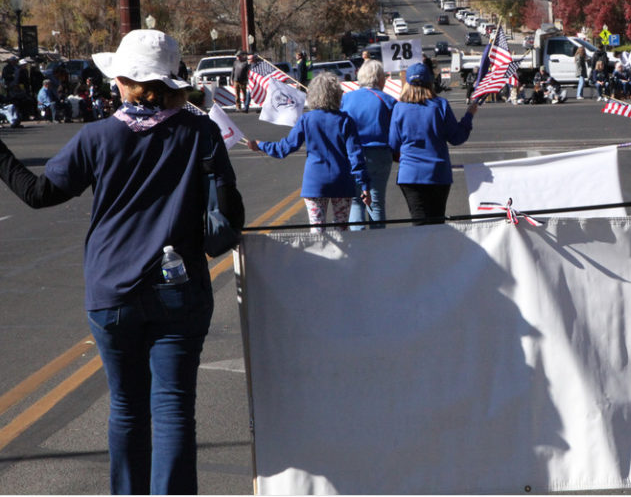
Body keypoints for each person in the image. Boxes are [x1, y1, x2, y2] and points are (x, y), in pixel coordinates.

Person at [0, 29, 244, 494]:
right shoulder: (202, 132)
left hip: (112, 292)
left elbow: (37, 194)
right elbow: (231, 213)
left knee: (127, 408)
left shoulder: (98, 137)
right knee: (173, 409)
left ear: (122, 79)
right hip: (181, 290)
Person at [246, 73, 370, 233]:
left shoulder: (307, 119)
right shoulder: (345, 120)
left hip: (315, 182)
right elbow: (356, 156)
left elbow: (285, 148)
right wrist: (365, 184)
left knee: (317, 234)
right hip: (342, 181)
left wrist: (261, 145)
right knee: (342, 232)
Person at [389, 62, 477, 225]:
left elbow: (393, 145)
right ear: (430, 82)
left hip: (410, 175)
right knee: (437, 224)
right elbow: (457, 137)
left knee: (419, 223)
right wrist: (468, 116)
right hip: (438, 173)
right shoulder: (440, 105)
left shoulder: (399, 108)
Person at [342, 59, 396, 229]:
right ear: (379, 79)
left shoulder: (347, 98)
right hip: (379, 153)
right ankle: (378, 244)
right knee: (376, 201)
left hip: (352, 154)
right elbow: (396, 131)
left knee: (356, 201)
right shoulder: (387, 100)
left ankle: (359, 246)